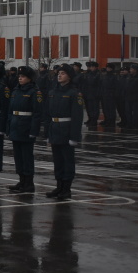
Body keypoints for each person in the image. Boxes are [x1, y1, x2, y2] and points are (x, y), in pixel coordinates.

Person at [45, 64, 84, 200]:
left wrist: (74, 137)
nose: (59, 75)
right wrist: (48, 134)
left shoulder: (74, 93)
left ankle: (66, 189)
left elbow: (77, 117)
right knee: (57, 161)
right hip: (55, 128)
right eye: (58, 73)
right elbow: (48, 115)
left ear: (69, 76)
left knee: (67, 161)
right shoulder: (52, 92)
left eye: (63, 73)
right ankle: (59, 186)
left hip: (66, 129)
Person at [7, 66, 43, 193]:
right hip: (16, 126)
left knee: (26, 156)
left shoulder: (34, 92)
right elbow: (10, 111)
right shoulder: (16, 90)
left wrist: (34, 131)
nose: (20, 78)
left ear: (29, 78)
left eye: (23, 77)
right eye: (19, 76)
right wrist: (9, 126)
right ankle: (21, 180)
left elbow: (37, 113)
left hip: (26, 127)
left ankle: (28, 182)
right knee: (18, 156)